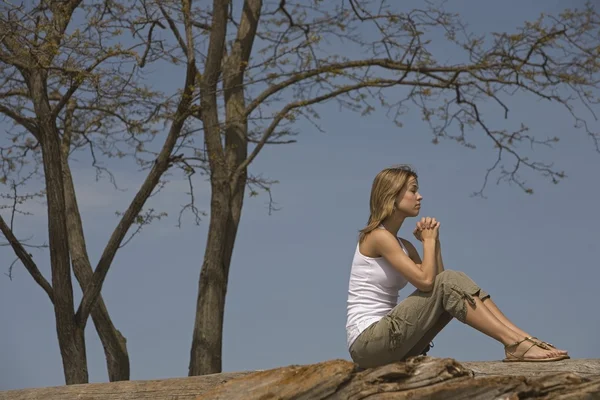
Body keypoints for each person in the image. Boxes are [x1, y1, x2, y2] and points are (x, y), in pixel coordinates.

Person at [345, 165, 569, 368]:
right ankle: (515, 343)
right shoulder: (376, 236)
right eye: (413, 190)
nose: (419, 196)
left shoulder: (404, 246)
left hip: (391, 343)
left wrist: (434, 244)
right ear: (392, 195)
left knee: (454, 279)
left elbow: (443, 291)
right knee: (450, 280)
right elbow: (428, 282)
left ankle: (523, 339)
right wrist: (429, 242)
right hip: (368, 341)